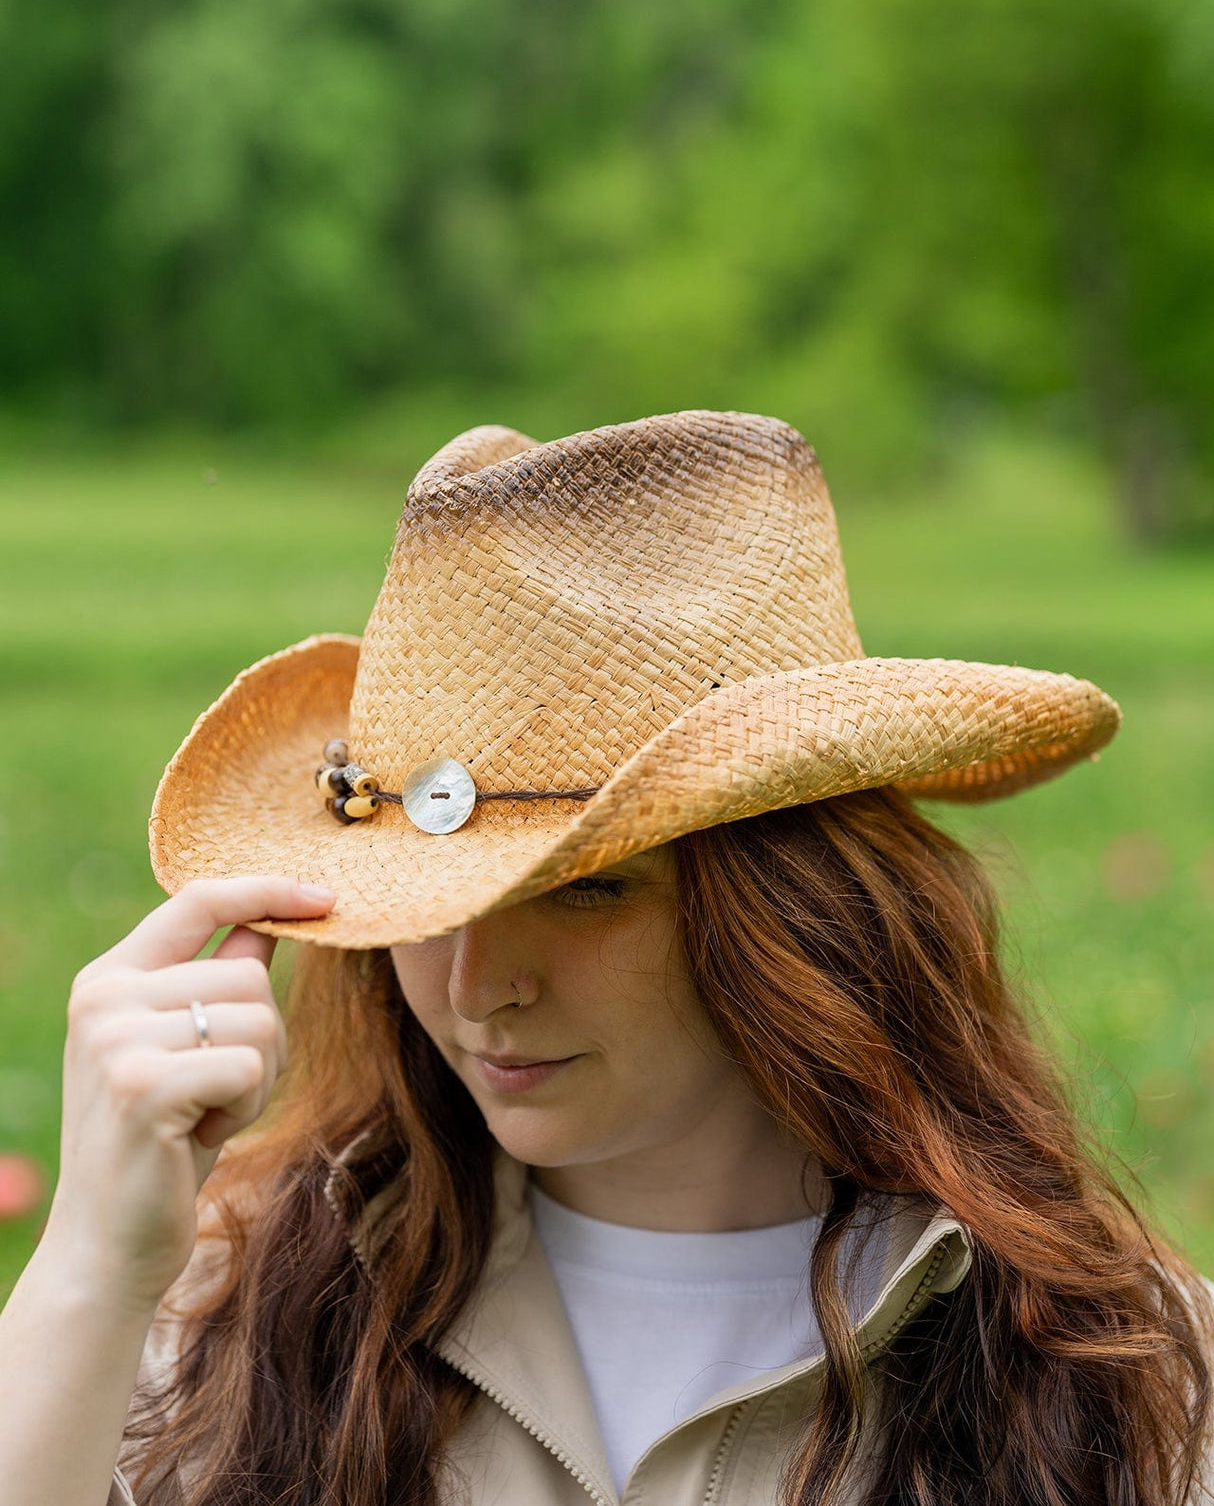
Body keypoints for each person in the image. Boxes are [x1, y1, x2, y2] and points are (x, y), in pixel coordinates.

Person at [1, 411, 1210, 1506]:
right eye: (419, 906)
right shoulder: (230, 1306)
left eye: (582, 891)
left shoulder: (1115, 1368)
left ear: (792, 907)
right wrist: (91, 1274)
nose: (476, 990)